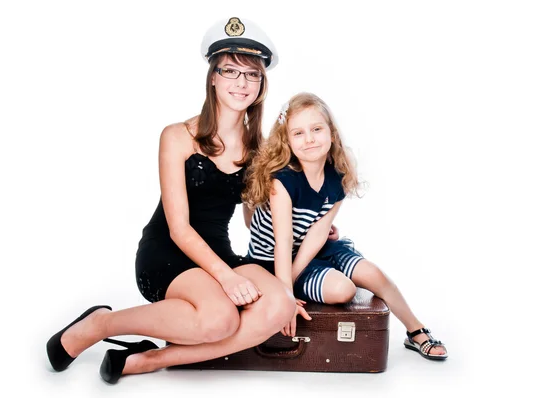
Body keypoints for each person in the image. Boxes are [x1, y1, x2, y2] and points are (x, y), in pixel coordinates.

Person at [46, 17, 296, 384]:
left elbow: (251, 218)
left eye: (252, 74)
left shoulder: (259, 150)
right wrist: (226, 278)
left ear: (261, 85)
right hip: (167, 252)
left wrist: (309, 223)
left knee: (280, 304)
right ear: (213, 76)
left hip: (219, 252)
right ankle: (99, 323)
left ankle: (150, 360)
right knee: (220, 319)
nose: (241, 83)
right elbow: (178, 228)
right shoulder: (177, 136)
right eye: (231, 71)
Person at [242, 92, 448, 361]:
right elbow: (282, 244)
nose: (310, 139)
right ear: (287, 140)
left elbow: (317, 232)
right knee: (343, 290)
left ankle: (416, 331)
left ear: (332, 133)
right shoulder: (283, 182)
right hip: (274, 260)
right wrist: (286, 295)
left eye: (317, 129)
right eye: (299, 133)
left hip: (311, 248)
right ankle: (321, 279)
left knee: (375, 275)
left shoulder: (337, 176)